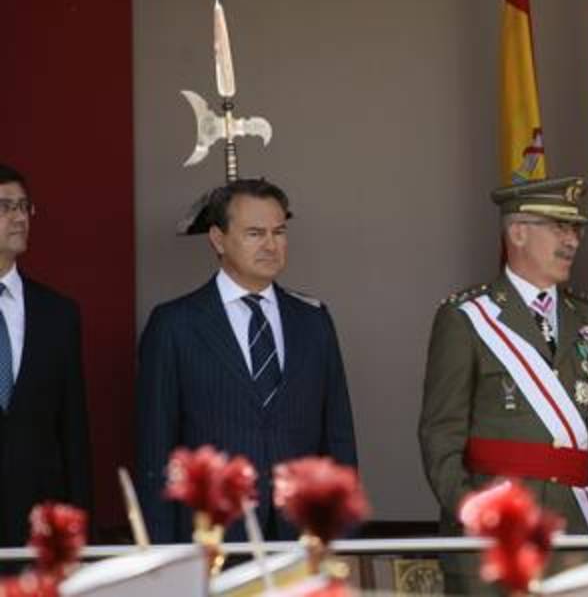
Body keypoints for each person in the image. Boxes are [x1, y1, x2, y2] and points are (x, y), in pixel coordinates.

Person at [419, 176, 588, 595]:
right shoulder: (466, 318)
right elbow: (440, 435)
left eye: (575, 229)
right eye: (558, 227)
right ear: (518, 232)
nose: (571, 241)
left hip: (575, 528)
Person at [135, 178, 358, 542]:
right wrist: (161, 551)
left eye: (279, 232)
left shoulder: (314, 320)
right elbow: (156, 449)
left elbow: (338, 438)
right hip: (211, 535)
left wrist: (342, 535)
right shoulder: (175, 324)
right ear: (218, 239)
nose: (271, 245)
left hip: (300, 535)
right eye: (255, 233)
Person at [0, 165, 91, 547]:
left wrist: (80, 529)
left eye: (24, 206)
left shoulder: (58, 313)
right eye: (5, 207)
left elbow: (73, 430)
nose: (19, 217)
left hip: (37, 526)